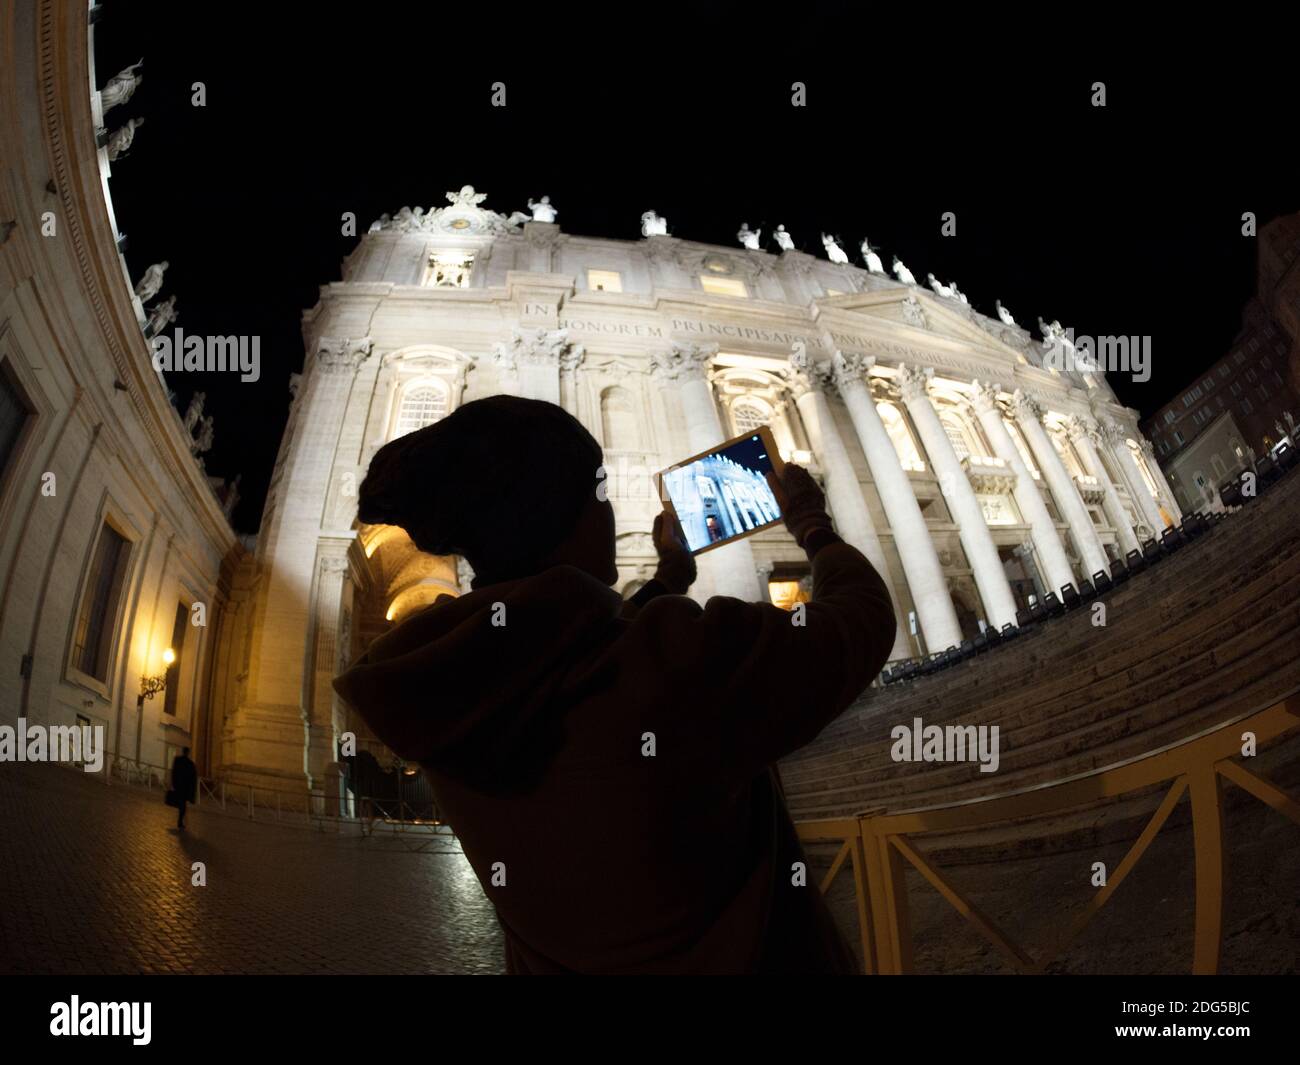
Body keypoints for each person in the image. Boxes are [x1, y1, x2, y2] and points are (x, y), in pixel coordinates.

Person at [333, 395, 897, 973]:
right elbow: (860, 621)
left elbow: (564, 648)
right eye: (599, 493)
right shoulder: (680, 663)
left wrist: (670, 576)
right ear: (566, 515)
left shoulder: (445, 684)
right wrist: (812, 524)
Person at [170, 747, 197, 831]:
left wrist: (173, 783)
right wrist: (192, 791)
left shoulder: (177, 760)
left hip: (178, 786)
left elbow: (173, 772)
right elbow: (193, 778)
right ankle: (180, 821)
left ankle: (180, 820)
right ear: (188, 753)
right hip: (185, 788)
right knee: (183, 805)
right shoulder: (190, 763)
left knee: (181, 803)